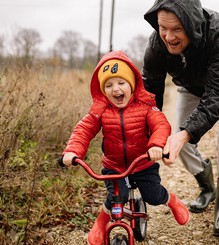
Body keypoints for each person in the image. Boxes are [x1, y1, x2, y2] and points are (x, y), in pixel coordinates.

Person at [142, 0, 219, 238]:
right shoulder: (156, 44)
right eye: (163, 28)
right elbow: (150, 93)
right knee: (177, 136)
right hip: (189, 87)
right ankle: (207, 187)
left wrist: (186, 134)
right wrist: (150, 133)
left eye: (177, 29)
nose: (168, 37)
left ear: (192, 24)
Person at [59, 50, 189, 245]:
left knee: (153, 195)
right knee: (115, 197)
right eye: (109, 85)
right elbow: (83, 130)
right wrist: (72, 152)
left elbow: (161, 125)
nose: (115, 89)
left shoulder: (145, 106)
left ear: (132, 84)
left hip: (143, 163)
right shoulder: (100, 110)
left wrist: (155, 146)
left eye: (121, 83)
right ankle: (101, 224)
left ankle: (171, 200)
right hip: (115, 166)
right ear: (103, 90)